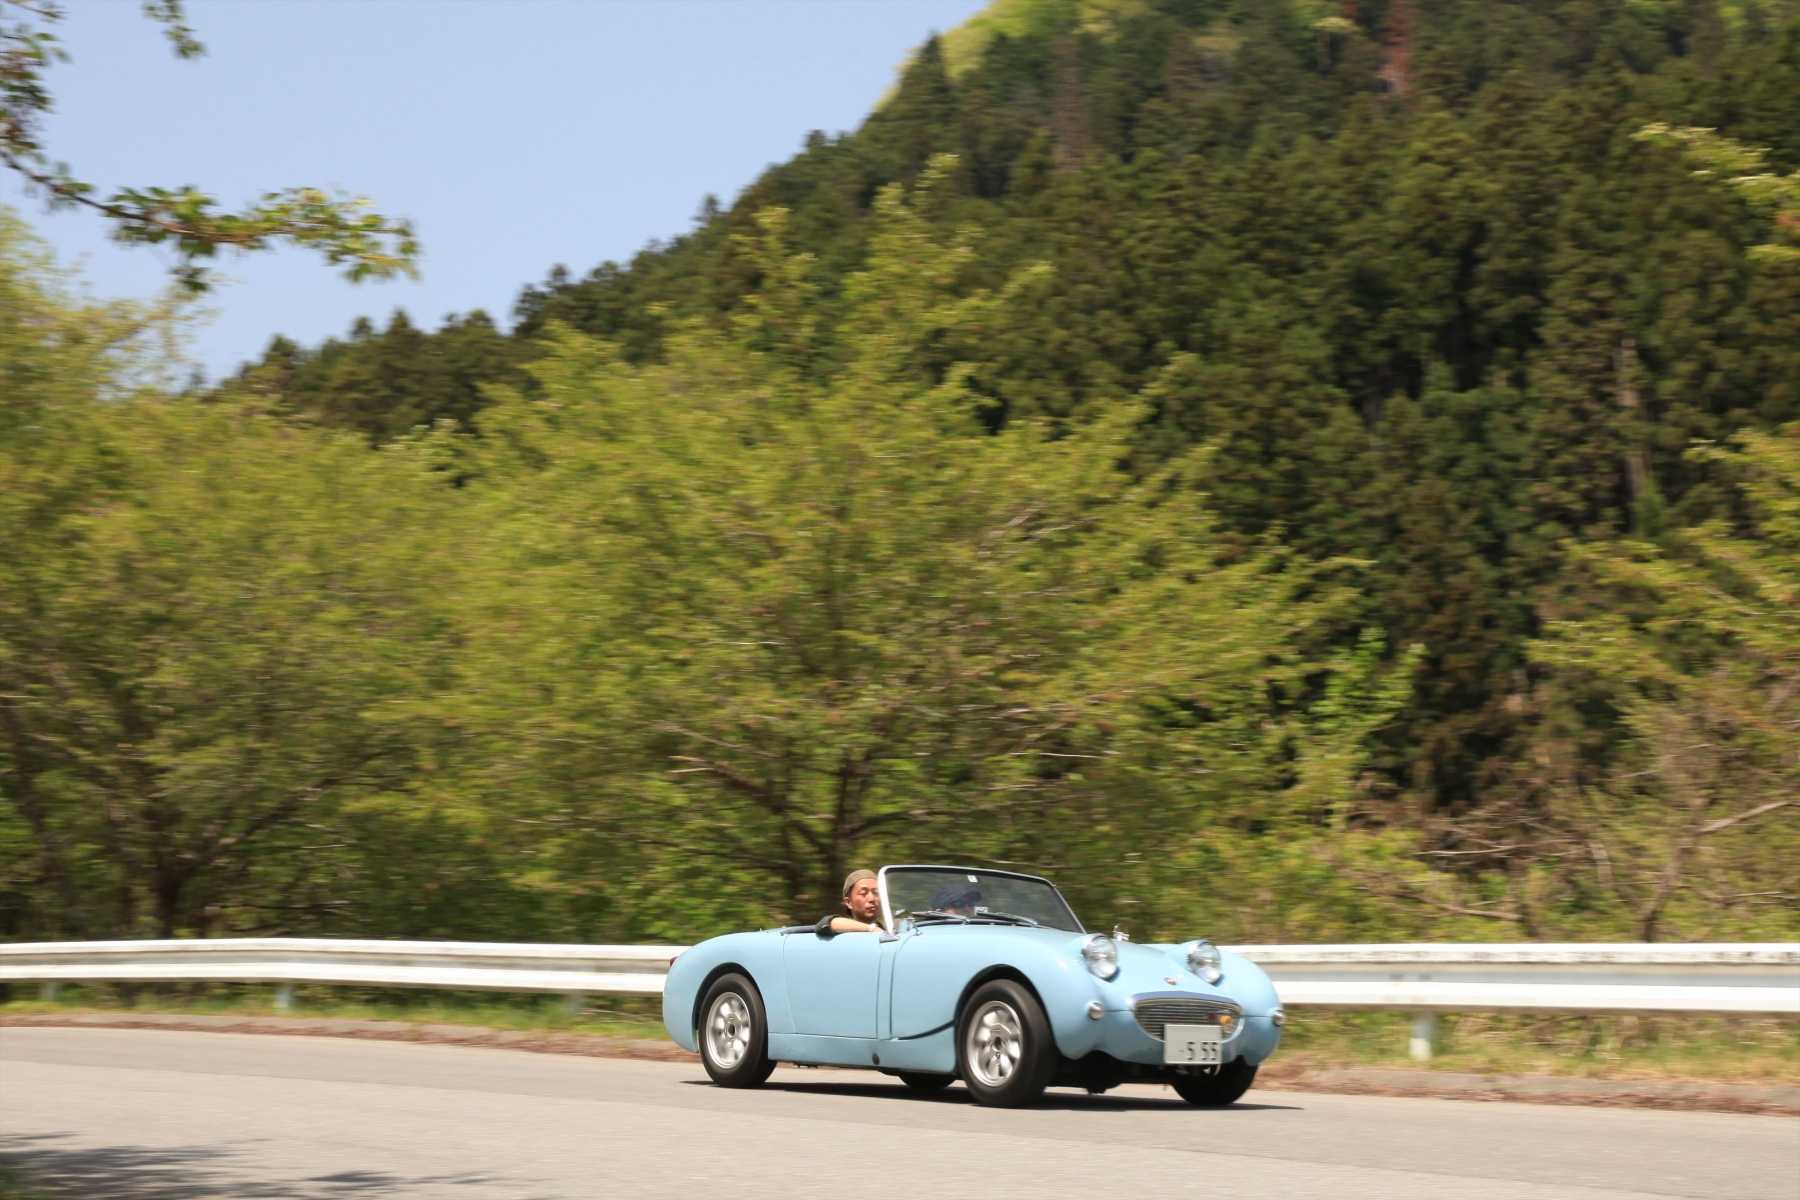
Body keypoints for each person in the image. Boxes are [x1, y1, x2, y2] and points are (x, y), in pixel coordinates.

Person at [816, 869, 885, 934]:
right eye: (863, 893)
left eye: (876, 892)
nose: (872, 899)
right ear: (848, 902)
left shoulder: (888, 931)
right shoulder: (842, 932)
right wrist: (871, 929)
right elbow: (830, 923)